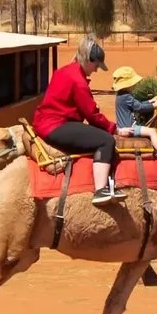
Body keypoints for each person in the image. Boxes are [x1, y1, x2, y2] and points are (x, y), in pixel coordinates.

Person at [34, 38, 122, 205]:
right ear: (89, 60)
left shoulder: (65, 71)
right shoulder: (78, 81)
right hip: (57, 125)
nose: (96, 70)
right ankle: (100, 190)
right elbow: (92, 115)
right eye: (96, 65)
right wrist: (114, 129)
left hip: (48, 123)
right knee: (106, 141)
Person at [109, 66, 157, 156]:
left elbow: (137, 104)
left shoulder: (121, 96)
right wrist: (155, 104)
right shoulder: (126, 97)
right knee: (152, 132)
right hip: (130, 128)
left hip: (123, 127)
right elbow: (139, 107)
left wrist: (150, 101)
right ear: (128, 85)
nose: (135, 85)